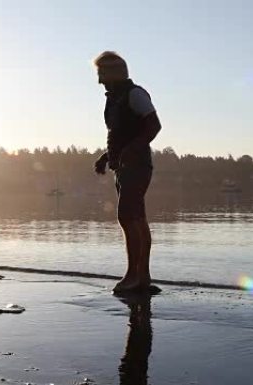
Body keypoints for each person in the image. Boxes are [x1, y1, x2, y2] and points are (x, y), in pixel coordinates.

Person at [93, 51, 162, 292]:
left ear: (114, 73)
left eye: (101, 73)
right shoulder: (115, 99)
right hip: (123, 166)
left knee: (128, 217)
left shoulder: (135, 94)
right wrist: (106, 157)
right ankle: (142, 276)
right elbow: (120, 134)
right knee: (137, 219)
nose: (99, 80)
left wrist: (131, 151)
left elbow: (154, 125)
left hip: (137, 165)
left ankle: (134, 275)